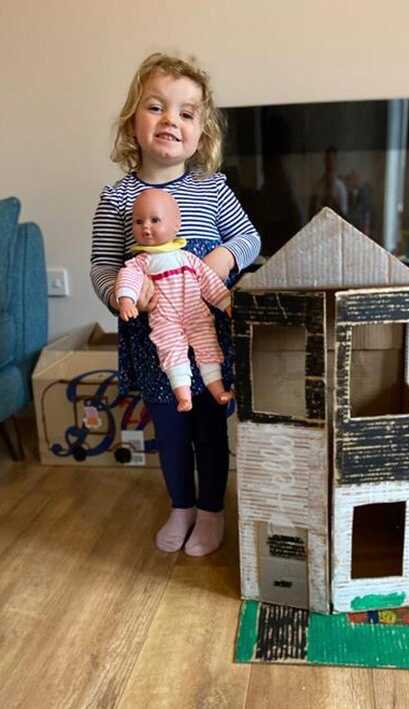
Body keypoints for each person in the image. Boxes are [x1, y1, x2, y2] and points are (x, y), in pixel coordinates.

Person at [90, 52, 261, 557]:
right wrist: (121, 293)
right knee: (168, 431)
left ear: (201, 134)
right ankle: (181, 506)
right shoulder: (117, 199)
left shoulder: (212, 189)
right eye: (156, 107)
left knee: (209, 428)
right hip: (154, 342)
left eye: (186, 113)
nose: (171, 120)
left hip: (207, 338)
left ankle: (211, 511)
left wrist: (226, 256)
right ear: (132, 122)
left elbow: (250, 238)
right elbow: (102, 265)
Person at [115, 188, 233, 413]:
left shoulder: (187, 258)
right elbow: (127, 278)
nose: (145, 227)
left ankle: (218, 391)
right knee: (171, 352)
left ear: (176, 224)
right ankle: (183, 396)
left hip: (196, 314)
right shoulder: (140, 262)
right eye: (138, 222)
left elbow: (209, 281)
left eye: (155, 220)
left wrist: (226, 303)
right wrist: (126, 300)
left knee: (208, 346)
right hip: (164, 319)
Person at [309, 146, 348, 219]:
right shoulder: (318, 186)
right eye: (328, 159)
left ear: (336, 161)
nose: (330, 162)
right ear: (324, 161)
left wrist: (334, 200)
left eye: (332, 159)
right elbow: (312, 211)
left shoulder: (341, 187)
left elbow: (344, 214)